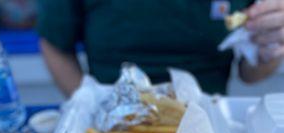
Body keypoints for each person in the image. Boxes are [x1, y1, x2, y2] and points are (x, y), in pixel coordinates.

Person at [37, 0, 284, 97]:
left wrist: (272, 45)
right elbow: (55, 44)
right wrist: (86, 105)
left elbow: (250, 74)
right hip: (111, 115)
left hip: (211, 120)